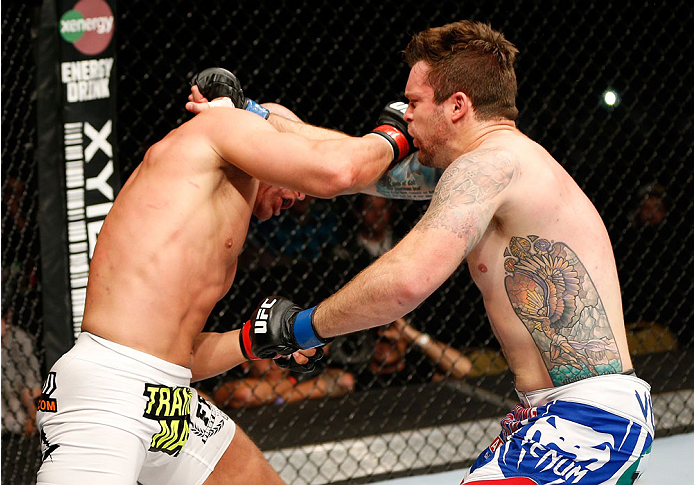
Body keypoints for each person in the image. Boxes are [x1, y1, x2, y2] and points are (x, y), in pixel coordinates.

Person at [243, 20, 655, 484]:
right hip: (563, 415)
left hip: (588, 420)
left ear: (457, 106)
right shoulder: (489, 166)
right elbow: (354, 170)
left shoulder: (488, 166)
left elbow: (408, 280)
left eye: (414, 103)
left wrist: (304, 327)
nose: (405, 116)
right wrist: (255, 115)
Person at [35, 66, 426, 485]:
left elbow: (175, 356)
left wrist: (251, 341)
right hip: (106, 393)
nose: (297, 195)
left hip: (169, 400)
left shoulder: (218, 213)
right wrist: (398, 131)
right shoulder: (222, 130)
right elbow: (336, 172)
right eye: (293, 174)